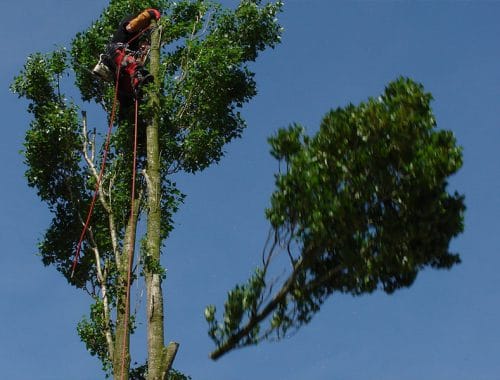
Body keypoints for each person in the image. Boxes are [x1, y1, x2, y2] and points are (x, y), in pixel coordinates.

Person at [93, 8, 161, 105]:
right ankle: (137, 79)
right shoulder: (132, 19)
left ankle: (127, 107)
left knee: (126, 96)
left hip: (119, 70)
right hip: (115, 52)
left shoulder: (136, 43)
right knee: (133, 67)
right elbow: (130, 27)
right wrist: (149, 14)